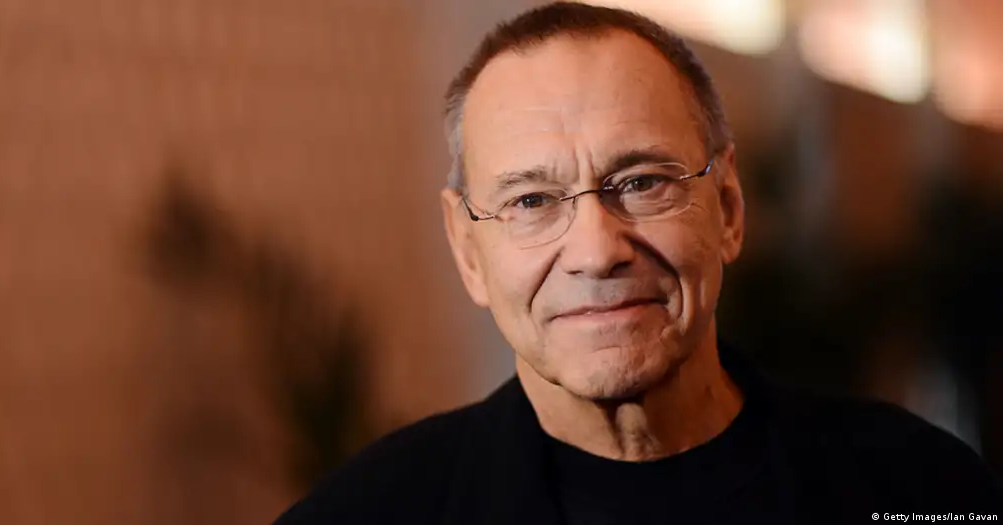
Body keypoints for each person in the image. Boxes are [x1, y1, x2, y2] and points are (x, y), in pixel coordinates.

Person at [273, 3, 1003, 523]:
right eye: (532, 200)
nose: (596, 252)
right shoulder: (365, 513)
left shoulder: (920, 487)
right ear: (468, 250)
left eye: (642, 183)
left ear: (727, 209)